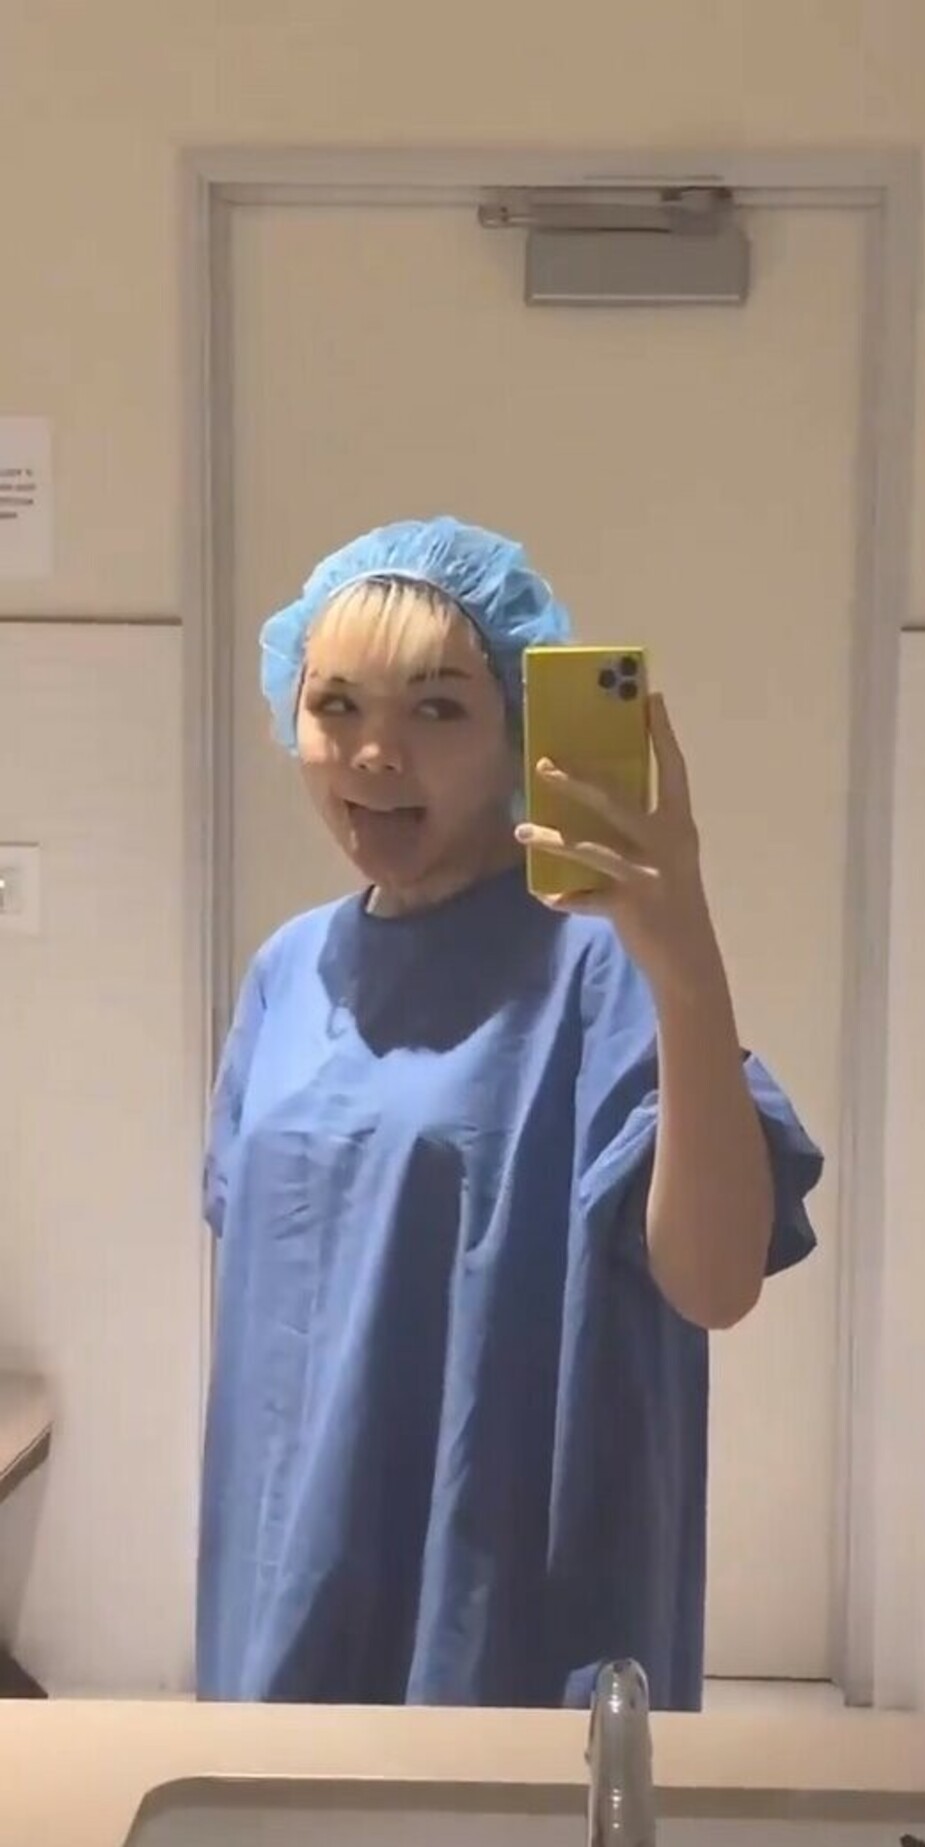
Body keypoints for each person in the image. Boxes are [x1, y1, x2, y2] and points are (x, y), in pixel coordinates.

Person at [197, 516, 823, 1710]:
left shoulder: (600, 966)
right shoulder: (288, 973)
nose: (374, 754)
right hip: (285, 1593)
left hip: (504, 1627)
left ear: (518, 734)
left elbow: (714, 1280)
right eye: (336, 706)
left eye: (437, 708)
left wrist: (685, 959)